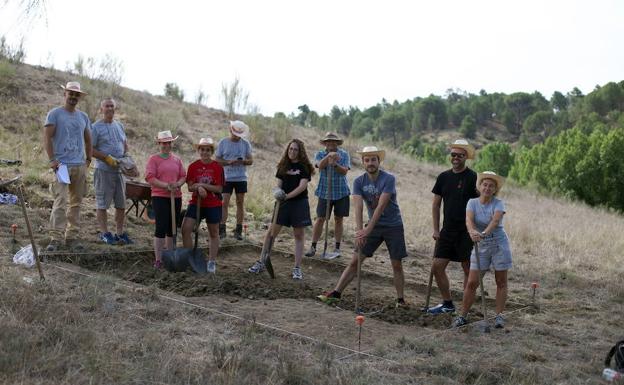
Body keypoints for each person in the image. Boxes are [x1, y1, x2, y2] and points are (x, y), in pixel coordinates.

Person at [318, 146, 408, 307]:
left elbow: (380, 207)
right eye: (367, 160)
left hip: (393, 225)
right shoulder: (359, 182)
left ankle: (400, 300)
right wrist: (360, 232)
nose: (370, 163)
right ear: (363, 162)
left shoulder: (389, 179)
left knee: (396, 263)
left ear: (379, 161)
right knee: (355, 261)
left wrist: (367, 230)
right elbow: (358, 207)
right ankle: (336, 293)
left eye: (373, 159)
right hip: (373, 225)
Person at [248, 139, 314, 280]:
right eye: (290, 149)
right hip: (282, 203)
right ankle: (262, 261)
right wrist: (277, 191)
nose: (292, 152)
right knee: (271, 232)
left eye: (295, 149)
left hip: (299, 203)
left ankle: (297, 268)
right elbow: (279, 184)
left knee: (298, 235)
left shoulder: (304, 167)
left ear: (300, 151)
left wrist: (286, 196)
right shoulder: (283, 165)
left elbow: (302, 186)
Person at [453, 171, 512, 328]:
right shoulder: (472, 202)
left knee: (500, 281)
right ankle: (462, 316)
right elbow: (469, 220)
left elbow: (495, 220)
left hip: (499, 244)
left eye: (491, 186)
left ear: (495, 189)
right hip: (481, 246)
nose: (487, 188)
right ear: (480, 186)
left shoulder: (498, 203)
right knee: (472, 282)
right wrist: (472, 232)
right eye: (485, 184)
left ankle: (499, 316)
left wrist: (484, 233)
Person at [427, 139, 479, 314]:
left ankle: (465, 306)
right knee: (437, 267)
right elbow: (436, 205)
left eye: (460, 155)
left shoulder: (473, 177)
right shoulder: (443, 177)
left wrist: (476, 229)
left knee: (467, 269)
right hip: (447, 230)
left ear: (466, 157)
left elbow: (480, 204)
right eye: (453, 154)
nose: (456, 157)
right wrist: (435, 229)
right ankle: (447, 304)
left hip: (466, 231)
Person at [43, 81, 92, 252]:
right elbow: (47, 137)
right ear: (65, 94)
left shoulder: (83, 117)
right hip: (62, 165)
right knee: (61, 200)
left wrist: (88, 159)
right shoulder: (54, 114)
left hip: (79, 165)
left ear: (79, 97)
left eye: (76, 94)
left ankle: (72, 237)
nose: (73, 97)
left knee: (76, 203)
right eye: (70, 93)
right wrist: (52, 160)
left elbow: (88, 139)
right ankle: (55, 238)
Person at [91, 98, 133, 245]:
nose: (110, 108)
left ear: (115, 109)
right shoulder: (95, 127)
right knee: (102, 203)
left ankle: (120, 233)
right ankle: (104, 233)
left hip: (119, 171)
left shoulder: (119, 126)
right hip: (103, 170)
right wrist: (106, 158)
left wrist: (127, 159)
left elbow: (125, 145)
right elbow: (89, 149)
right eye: (106, 106)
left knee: (121, 204)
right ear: (101, 109)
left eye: (112, 106)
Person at [181, 137, 224, 274]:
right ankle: (190, 258)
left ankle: (211, 262)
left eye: (208, 150)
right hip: (196, 202)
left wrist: (202, 185)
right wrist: (197, 188)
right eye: (202, 149)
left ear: (211, 151)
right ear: (198, 150)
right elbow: (190, 186)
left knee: (213, 232)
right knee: (186, 229)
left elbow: (219, 189)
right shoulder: (193, 166)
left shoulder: (217, 167)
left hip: (212, 203)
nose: (205, 152)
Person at [305, 132, 351, 259]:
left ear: (337, 143)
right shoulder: (319, 154)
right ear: (325, 143)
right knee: (320, 219)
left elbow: (344, 172)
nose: (331, 143)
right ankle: (313, 247)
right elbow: (319, 166)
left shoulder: (344, 154)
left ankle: (337, 248)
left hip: (341, 192)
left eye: (333, 141)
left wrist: (335, 164)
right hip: (325, 192)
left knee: (338, 219)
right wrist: (329, 157)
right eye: (328, 141)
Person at [145, 130, 186, 268]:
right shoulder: (153, 159)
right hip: (159, 197)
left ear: (171, 143)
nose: (166, 145)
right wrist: (166, 186)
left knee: (172, 228)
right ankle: (158, 260)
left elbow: (183, 176)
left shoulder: (177, 159)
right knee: (161, 227)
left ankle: (169, 257)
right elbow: (150, 177)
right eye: (164, 143)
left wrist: (178, 184)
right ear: (159, 143)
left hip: (176, 197)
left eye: (168, 143)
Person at [215, 120, 253, 240]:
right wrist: (227, 162)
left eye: (239, 135)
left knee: (240, 203)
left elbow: (251, 160)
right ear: (230, 130)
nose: (237, 137)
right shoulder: (223, 142)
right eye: (235, 134)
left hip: (241, 178)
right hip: (226, 177)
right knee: (224, 202)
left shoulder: (245, 144)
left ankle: (238, 229)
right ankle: (222, 228)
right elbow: (217, 160)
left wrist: (242, 161)